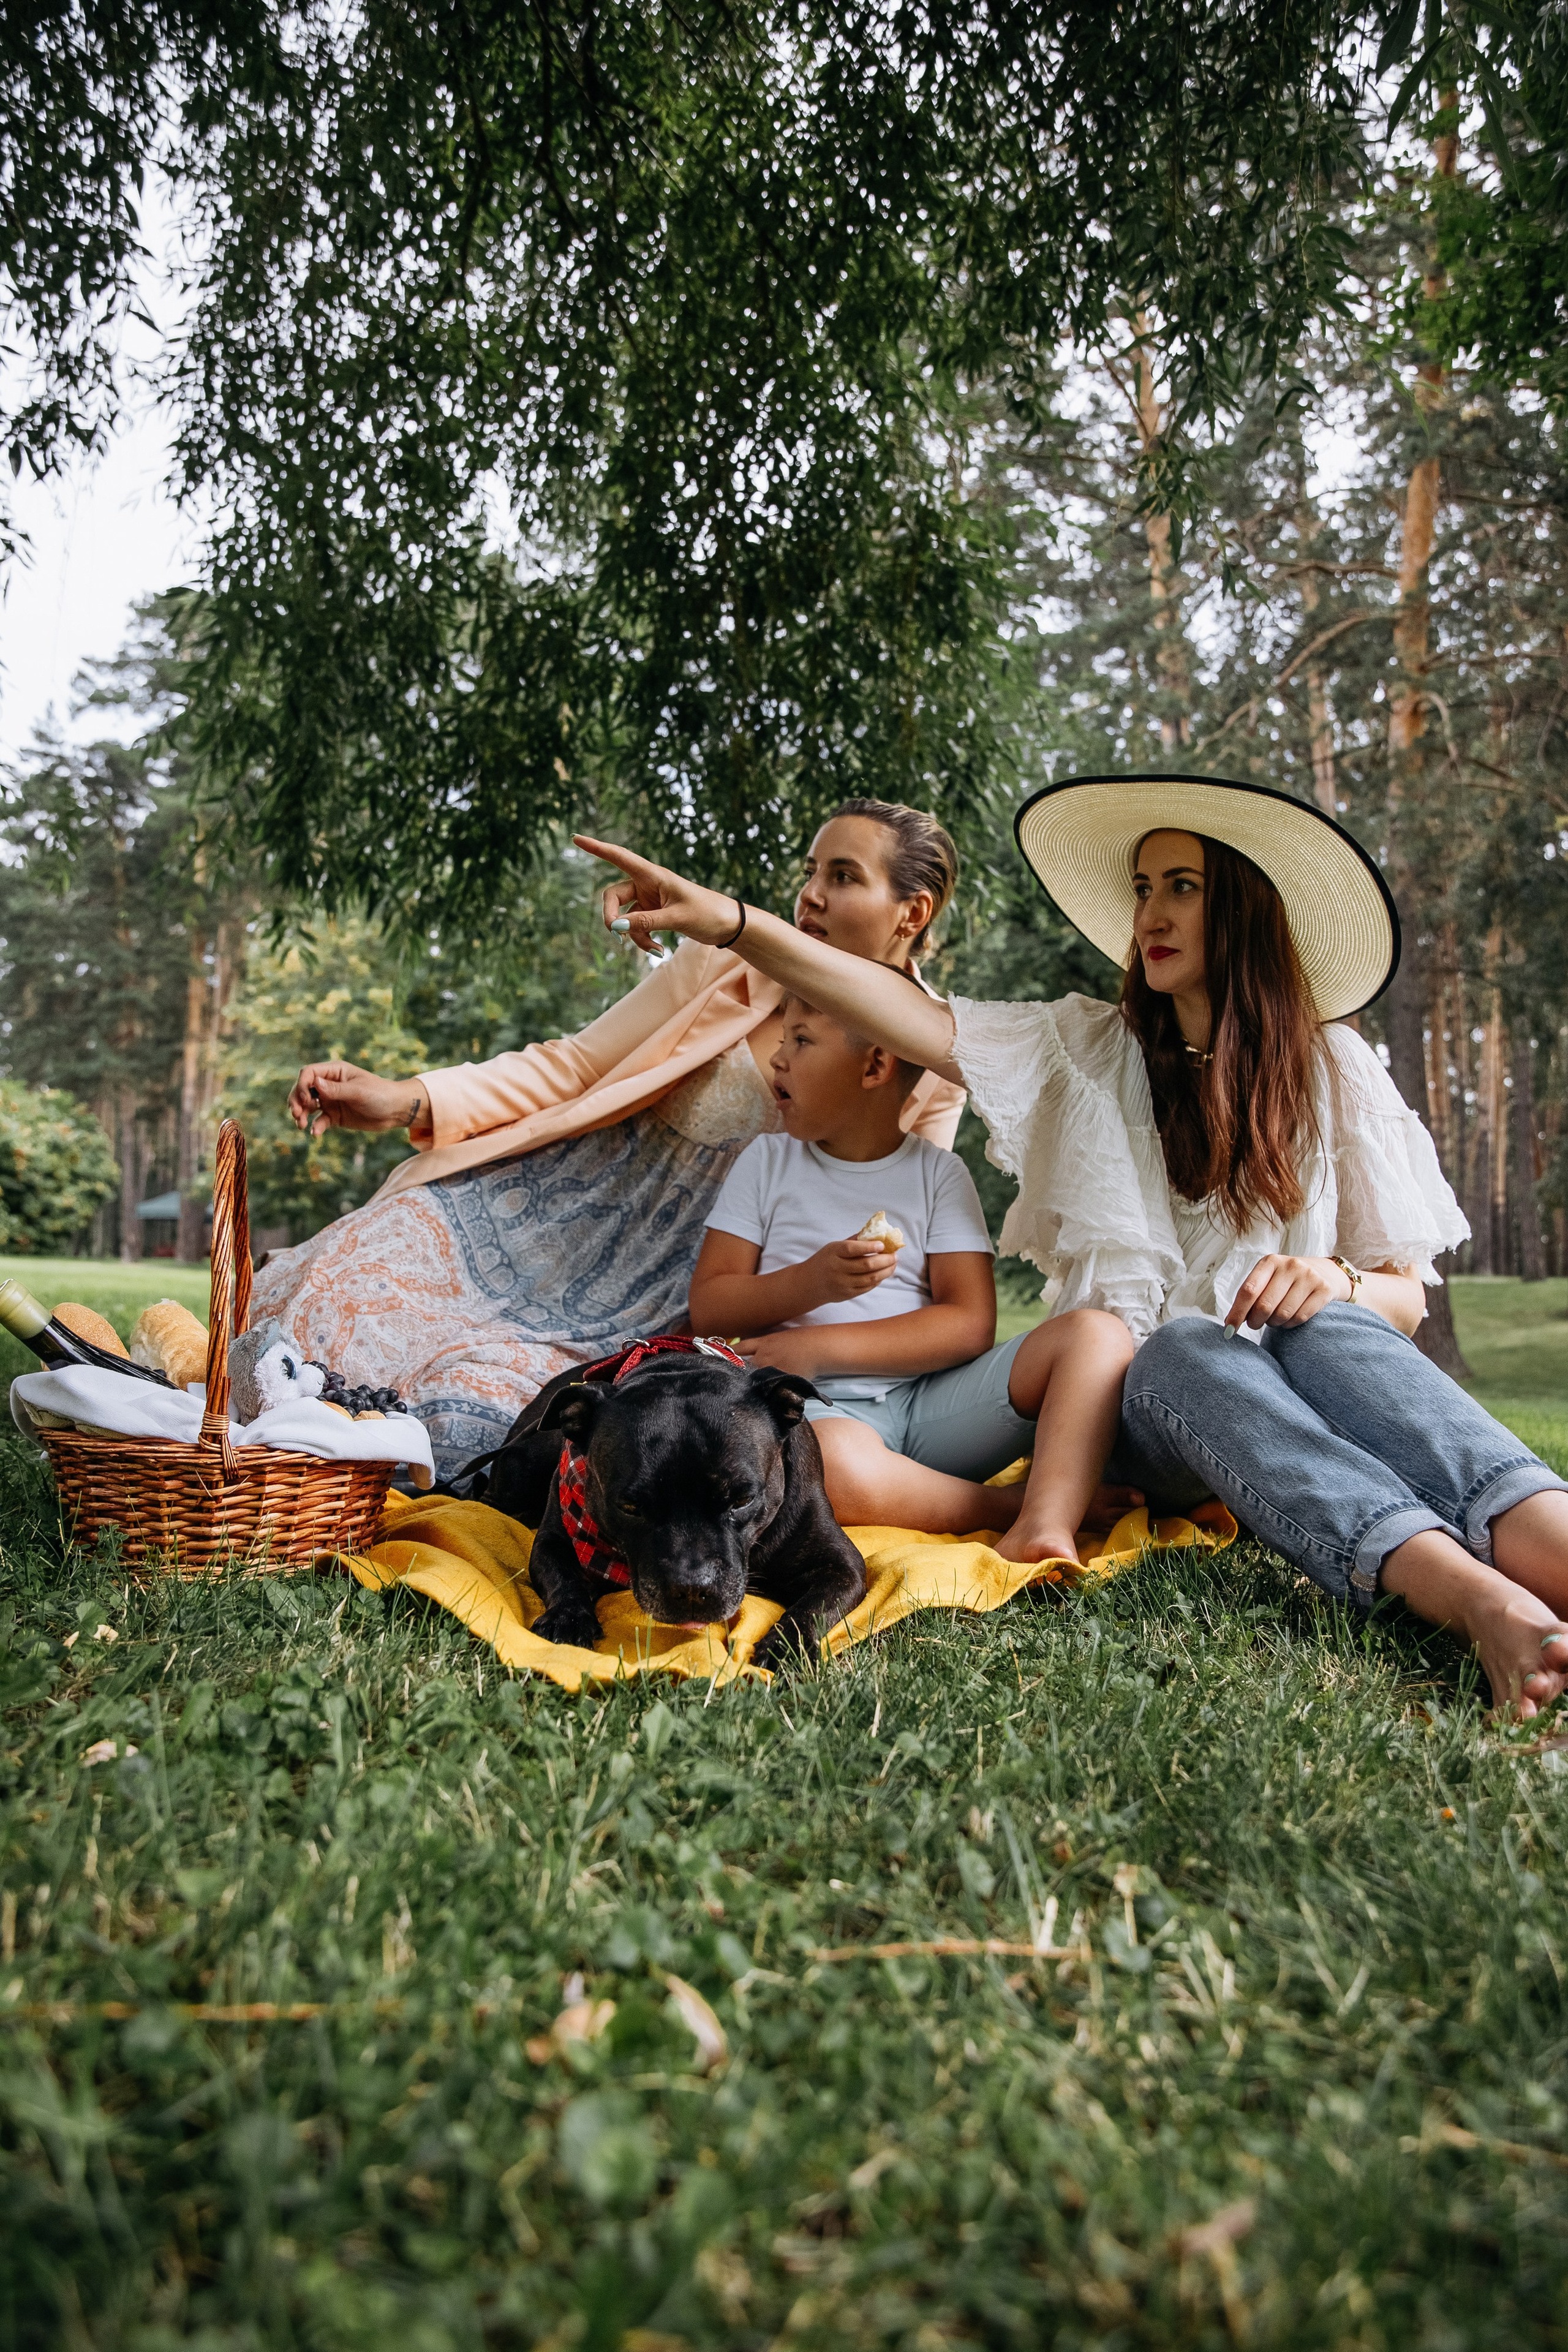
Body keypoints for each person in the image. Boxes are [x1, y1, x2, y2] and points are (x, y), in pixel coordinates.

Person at [576, 776, 1568, 1715]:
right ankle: (1467, 1595)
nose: (1153, 916)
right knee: (1182, 1346)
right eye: (1146, 889)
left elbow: (1402, 1298)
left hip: (1297, 1383)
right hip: (1150, 1406)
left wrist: (1333, 1277)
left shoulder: (1333, 1065)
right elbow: (906, 1014)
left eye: (1186, 888)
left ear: (1253, 913)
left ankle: (1548, 1546)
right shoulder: (1086, 1049)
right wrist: (735, 924)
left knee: (1335, 1330)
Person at [255, 802, 965, 1483]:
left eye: (843, 876)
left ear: (913, 912)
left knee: (490, 1426)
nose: (810, 895)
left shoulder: (936, 1068)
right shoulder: (727, 965)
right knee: (329, 1299)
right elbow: (575, 1066)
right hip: (534, 1215)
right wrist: (405, 1098)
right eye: (810, 871)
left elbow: (896, 1260)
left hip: (679, 1299)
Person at [690, 996, 1134, 1558]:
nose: (777, 1059)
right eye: (783, 1041)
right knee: (832, 1467)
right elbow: (709, 1304)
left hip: (929, 1407)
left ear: (875, 1067)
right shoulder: (766, 1162)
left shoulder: (938, 1174)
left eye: (800, 1040)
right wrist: (811, 1284)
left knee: (1097, 1335)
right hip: (816, 1413)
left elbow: (970, 1324)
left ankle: (1044, 1524)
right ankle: (1006, 1508)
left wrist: (816, 1346)